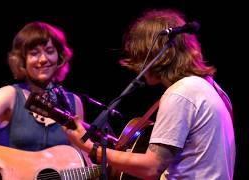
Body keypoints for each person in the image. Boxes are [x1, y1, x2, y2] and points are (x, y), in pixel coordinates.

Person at [63, 9, 235, 180]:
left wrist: (91, 148)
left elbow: (151, 168)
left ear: (153, 54)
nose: (139, 66)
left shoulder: (180, 93)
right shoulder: (213, 89)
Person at [0, 21, 91, 179]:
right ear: (22, 60)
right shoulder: (9, 95)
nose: (43, 59)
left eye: (49, 51)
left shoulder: (73, 103)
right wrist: (2, 168)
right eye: (34, 53)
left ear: (59, 57)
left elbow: (82, 159)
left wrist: (113, 166)